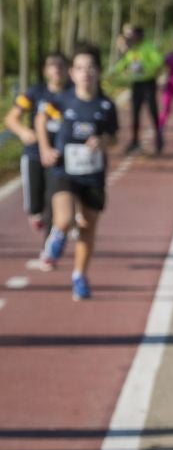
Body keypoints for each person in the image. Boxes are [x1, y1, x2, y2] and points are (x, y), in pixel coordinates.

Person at [30, 43, 117, 300]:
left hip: (93, 174)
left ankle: (79, 276)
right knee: (65, 219)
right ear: (72, 73)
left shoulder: (106, 105)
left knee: (88, 227)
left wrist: (102, 142)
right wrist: (45, 148)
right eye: (79, 68)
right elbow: (40, 119)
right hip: (64, 172)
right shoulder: (61, 100)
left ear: (98, 72)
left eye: (91, 68)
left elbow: (114, 138)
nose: (85, 73)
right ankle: (56, 236)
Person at [8, 51, 67, 237]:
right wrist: (24, 132)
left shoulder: (73, 93)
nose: (57, 69)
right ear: (45, 70)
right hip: (34, 154)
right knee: (35, 206)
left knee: (53, 201)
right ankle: (35, 214)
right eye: (52, 65)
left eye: (61, 65)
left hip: (60, 157)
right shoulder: (35, 92)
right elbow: (11, 119)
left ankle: (48, 247)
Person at [110, 25, 165, 155]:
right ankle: (135, 141)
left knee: (153, 112)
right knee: (135, 114)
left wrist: (146, 68)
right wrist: (113, 73)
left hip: (148, 84)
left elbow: (159, 62)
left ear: (141, 35)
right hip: (136, 85)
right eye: (131, 36)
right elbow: (124, 63)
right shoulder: (132, 49)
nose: (132, 38)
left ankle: (158, 138)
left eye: (134, 35)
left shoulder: (149, 47)